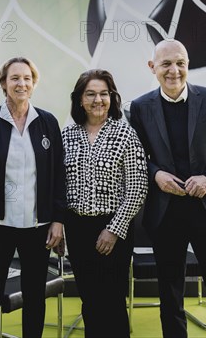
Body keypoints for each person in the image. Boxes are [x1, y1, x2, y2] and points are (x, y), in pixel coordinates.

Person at [129, 39, 206, 338]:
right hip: (166, 214)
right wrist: (156, 176)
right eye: (166, 63)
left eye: (180, 62)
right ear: (152, 67)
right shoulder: (140, 107)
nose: (174, 70)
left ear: (188, 65)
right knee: (170, 298)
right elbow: (138, 158)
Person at [0, 56, 66, 338]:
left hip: (38, 227)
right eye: (14, 78)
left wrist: (58, 220)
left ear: (34, 83)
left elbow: (58, 176)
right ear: (4, 83)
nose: (21, 83)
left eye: (27, 78)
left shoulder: (48, 122)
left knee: (35, 297)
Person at [62, 69, 148, 337]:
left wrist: (113, 230)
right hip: (77, 229)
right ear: (79, 100)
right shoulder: (67, 135)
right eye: (90, 94)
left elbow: (137, 188)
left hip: (113, 228)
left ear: (112, 98)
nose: (98, 100)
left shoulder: (125, 134)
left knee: (111, 301)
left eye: (103, 94)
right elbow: (60, 187)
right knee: (89, 300)